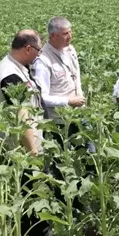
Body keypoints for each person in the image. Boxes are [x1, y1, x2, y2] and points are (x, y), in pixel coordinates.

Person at [33, 16, 87, 145]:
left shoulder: (70, 50)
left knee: (89, 153)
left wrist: (79, 95)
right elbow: (41, 97)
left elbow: (76, 76)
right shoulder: (43, 61)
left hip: (79, 114)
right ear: (53, 36)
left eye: (70, 32)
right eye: (65, 34)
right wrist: (68, 101)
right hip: (59, 122)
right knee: (63, 158)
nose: (70, 36)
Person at [0, 29, 43, 155]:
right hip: (21, 152)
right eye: (39, 50)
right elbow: (22, 118)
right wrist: (33, 152)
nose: (39, 55)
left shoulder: (18, 66)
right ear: (28, 49)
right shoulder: (10, 76)